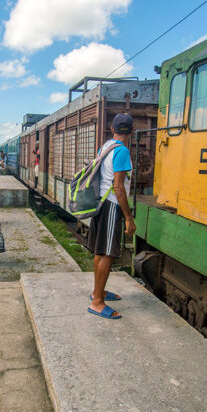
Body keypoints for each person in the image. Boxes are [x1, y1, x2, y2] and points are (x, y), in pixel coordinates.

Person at [87, 114, 137, 320]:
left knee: (100, 251)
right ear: (132, 131)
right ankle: (97, 302)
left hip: (100, 202)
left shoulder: (105, 146)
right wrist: (128, 217)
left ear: (112, 129)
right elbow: (118, 186)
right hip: (111, 206)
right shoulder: (123, 151)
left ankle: (98, 292)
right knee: (108, 254)